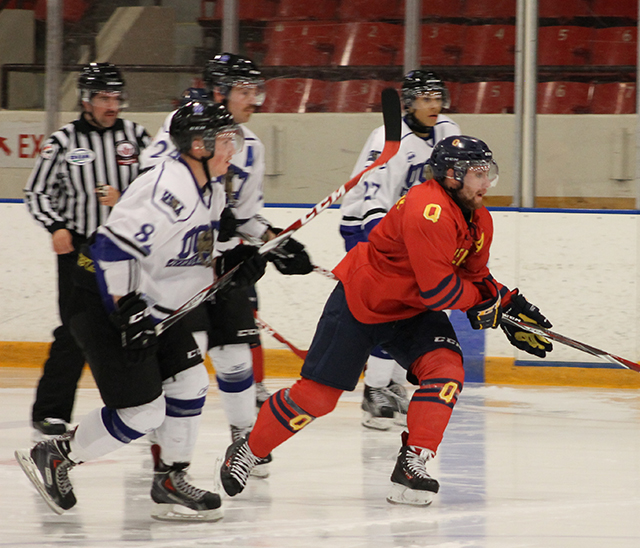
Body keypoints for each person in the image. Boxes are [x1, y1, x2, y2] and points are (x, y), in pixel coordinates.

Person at [219, 136, 553, 506]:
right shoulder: (429, 210)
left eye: (488, 172)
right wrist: (482, 305)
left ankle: (413, 464)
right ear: (451, 176)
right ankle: (247, 450)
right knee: (316, 399)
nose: (486, 182)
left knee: (446, 372)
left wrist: (506, 301)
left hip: (411, 312)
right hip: (364, 302)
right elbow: (441, 293)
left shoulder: (479, 217)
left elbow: (475, 275)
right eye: (477, 174)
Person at [15, 101, 267, 521]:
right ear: (200, 145)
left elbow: (193, 255)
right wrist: (126, 309)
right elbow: (109, 249)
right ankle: (58, 456)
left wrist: (235, 265)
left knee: (189, 381)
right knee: (144, 410)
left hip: (147, 305)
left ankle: (170, 478)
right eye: (226, 141)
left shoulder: (212, 188)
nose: (233, 150)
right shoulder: (168, 188)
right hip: (102, 299)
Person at [140, 53, 312, 477]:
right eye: (244, 90)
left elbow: (248, 215)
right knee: (188, 356)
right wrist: (214, 217)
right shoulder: (181, 127)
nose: (254, 99)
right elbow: (153, 184)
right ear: (219, 92)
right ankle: (166, 445)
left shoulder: (251, 145)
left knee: (236, 355)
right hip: (181, 265)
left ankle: (245, 442)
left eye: (257, 90)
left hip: (226, 264)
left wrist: (277, 242)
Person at [23, 63, 150, 442]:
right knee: (77, 329)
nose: (112, 105)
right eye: (103, 98)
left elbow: (158, 188)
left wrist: (124, 198)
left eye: (116, 98)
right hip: (81, 248)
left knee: (136, 323)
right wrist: (56, 226)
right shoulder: (62, 142)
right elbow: (37, 192)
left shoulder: (138, 137)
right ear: (85, 99)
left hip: (129, 247)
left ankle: (142, 407)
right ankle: (50, 411)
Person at [340, 69, 461, 430]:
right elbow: (373, 199)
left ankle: (392, 382)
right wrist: (389, 249)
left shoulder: (448, 133)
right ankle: (373, 390)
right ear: (408, 103)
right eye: (426, 99)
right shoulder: (389, 138)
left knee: (425, 307)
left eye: (438, 97)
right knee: (393, 307)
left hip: (414, 230)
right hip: (368, 225)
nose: (434, 105)